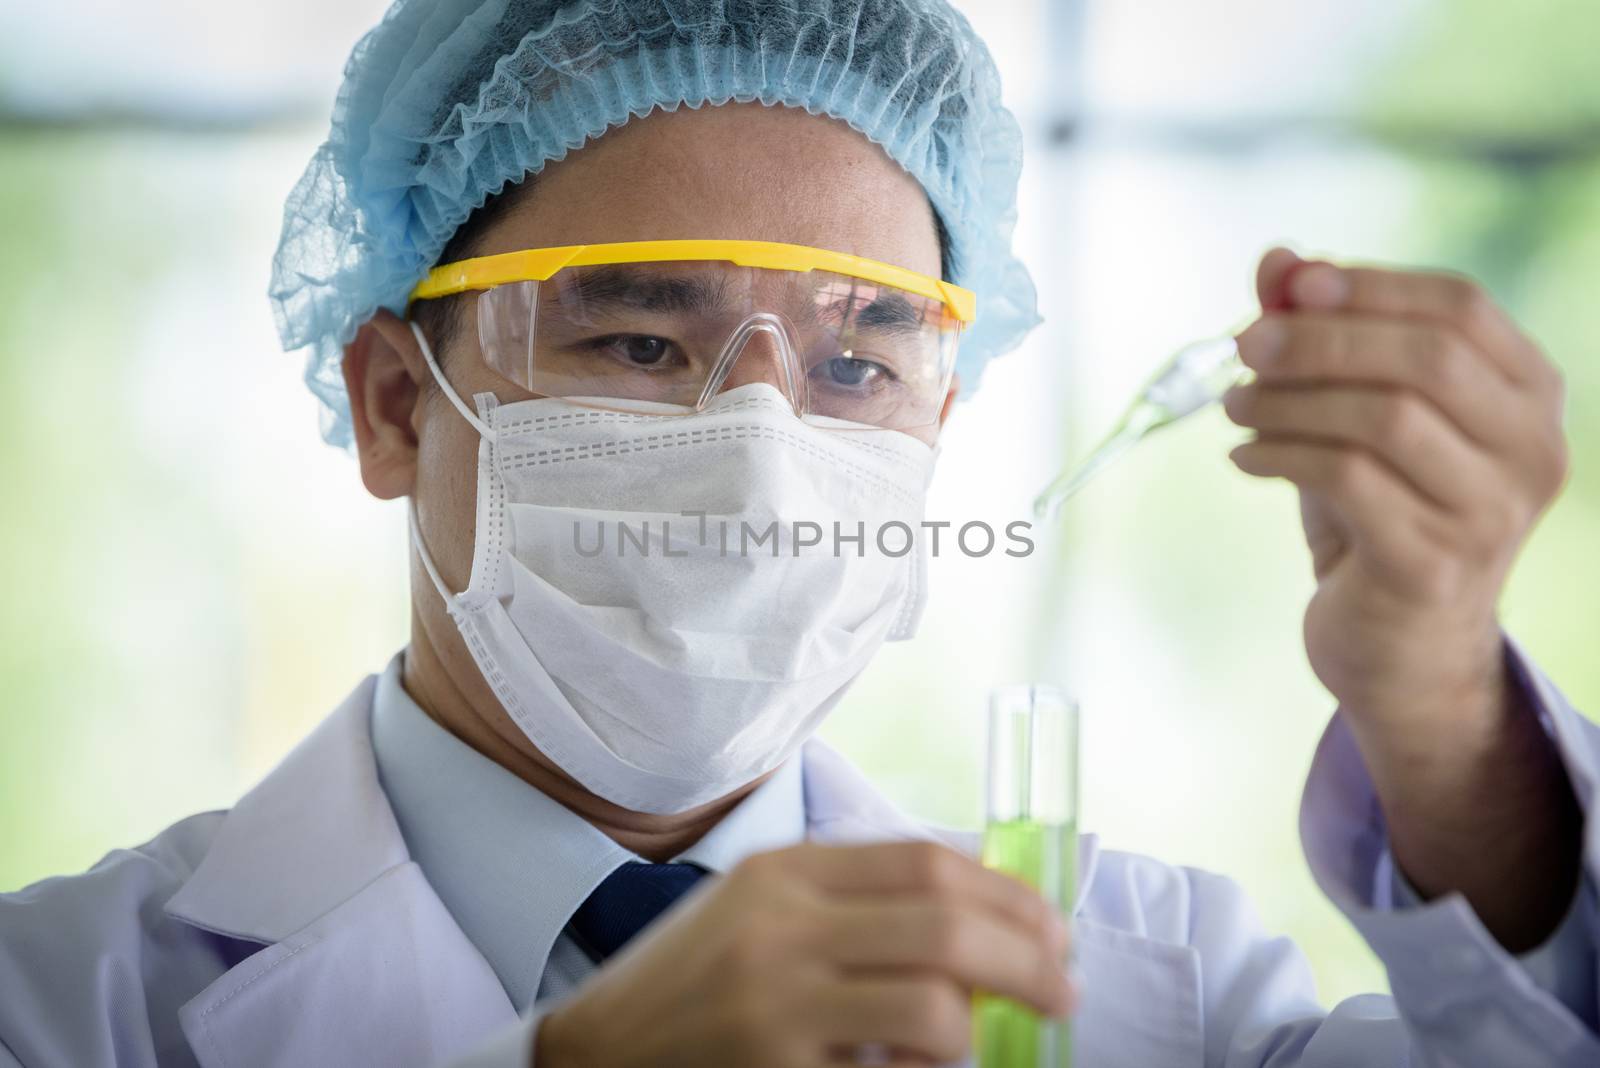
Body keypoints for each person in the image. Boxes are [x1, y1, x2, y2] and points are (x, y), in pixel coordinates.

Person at [1, 0, 1596, 1065]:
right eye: (640, 342)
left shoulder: (1148, 990)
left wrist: (1446, 710)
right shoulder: (65, 1002)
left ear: (942, 424)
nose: (765, 456)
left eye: (855, 363)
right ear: (396, 406)